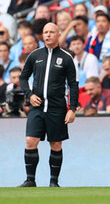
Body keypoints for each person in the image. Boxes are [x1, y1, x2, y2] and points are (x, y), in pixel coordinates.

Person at [18, 22, 79, 187]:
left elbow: (73, 85)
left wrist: (72, 109)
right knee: (30, 141)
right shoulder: (34, 55)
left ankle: (54, 182)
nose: (48, 35)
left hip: (57, 107)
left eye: (51, 32)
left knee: (56, 144)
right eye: (45, 32)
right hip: (37, 107)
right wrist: (29, 95)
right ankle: (30, 180)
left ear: (58, 34)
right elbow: (23, 78)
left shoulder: (67, 58)